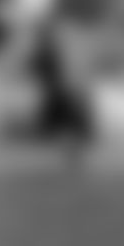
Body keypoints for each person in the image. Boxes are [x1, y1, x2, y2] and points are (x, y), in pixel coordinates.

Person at [28, 23, 97, 165]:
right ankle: (71, 155)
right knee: (68, 125)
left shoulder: (53, 50)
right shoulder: (48, 51)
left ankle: (72, 155)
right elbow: (41, 70)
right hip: (61, 91)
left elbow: (64, 70)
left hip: (64, 91)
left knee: (69, 124)